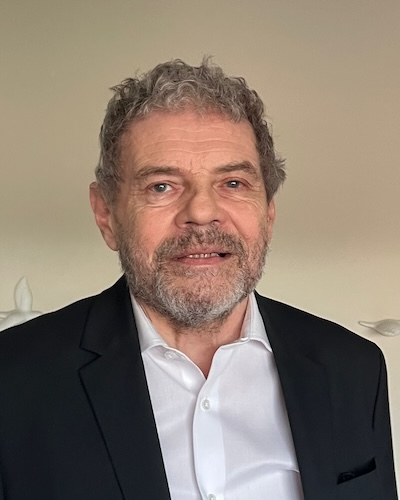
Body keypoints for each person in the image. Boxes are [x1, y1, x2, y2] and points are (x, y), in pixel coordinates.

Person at [0, 59, 397, 500]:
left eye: (233, 183)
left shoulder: (353, 370)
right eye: (162, 186)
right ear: (106, 214)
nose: (202, 213)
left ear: (268, 212)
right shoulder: (12, 380)